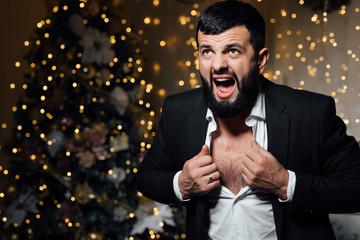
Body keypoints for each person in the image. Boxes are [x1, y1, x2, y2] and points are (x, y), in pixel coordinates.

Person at [137, 1, 360, 239]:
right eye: (207, 51)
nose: (218, 64)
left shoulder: (311, 113)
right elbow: (147, 177)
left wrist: (285, 183)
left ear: (261, 60)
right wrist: (181, 184)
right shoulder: (178, 111)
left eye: (232, 50)